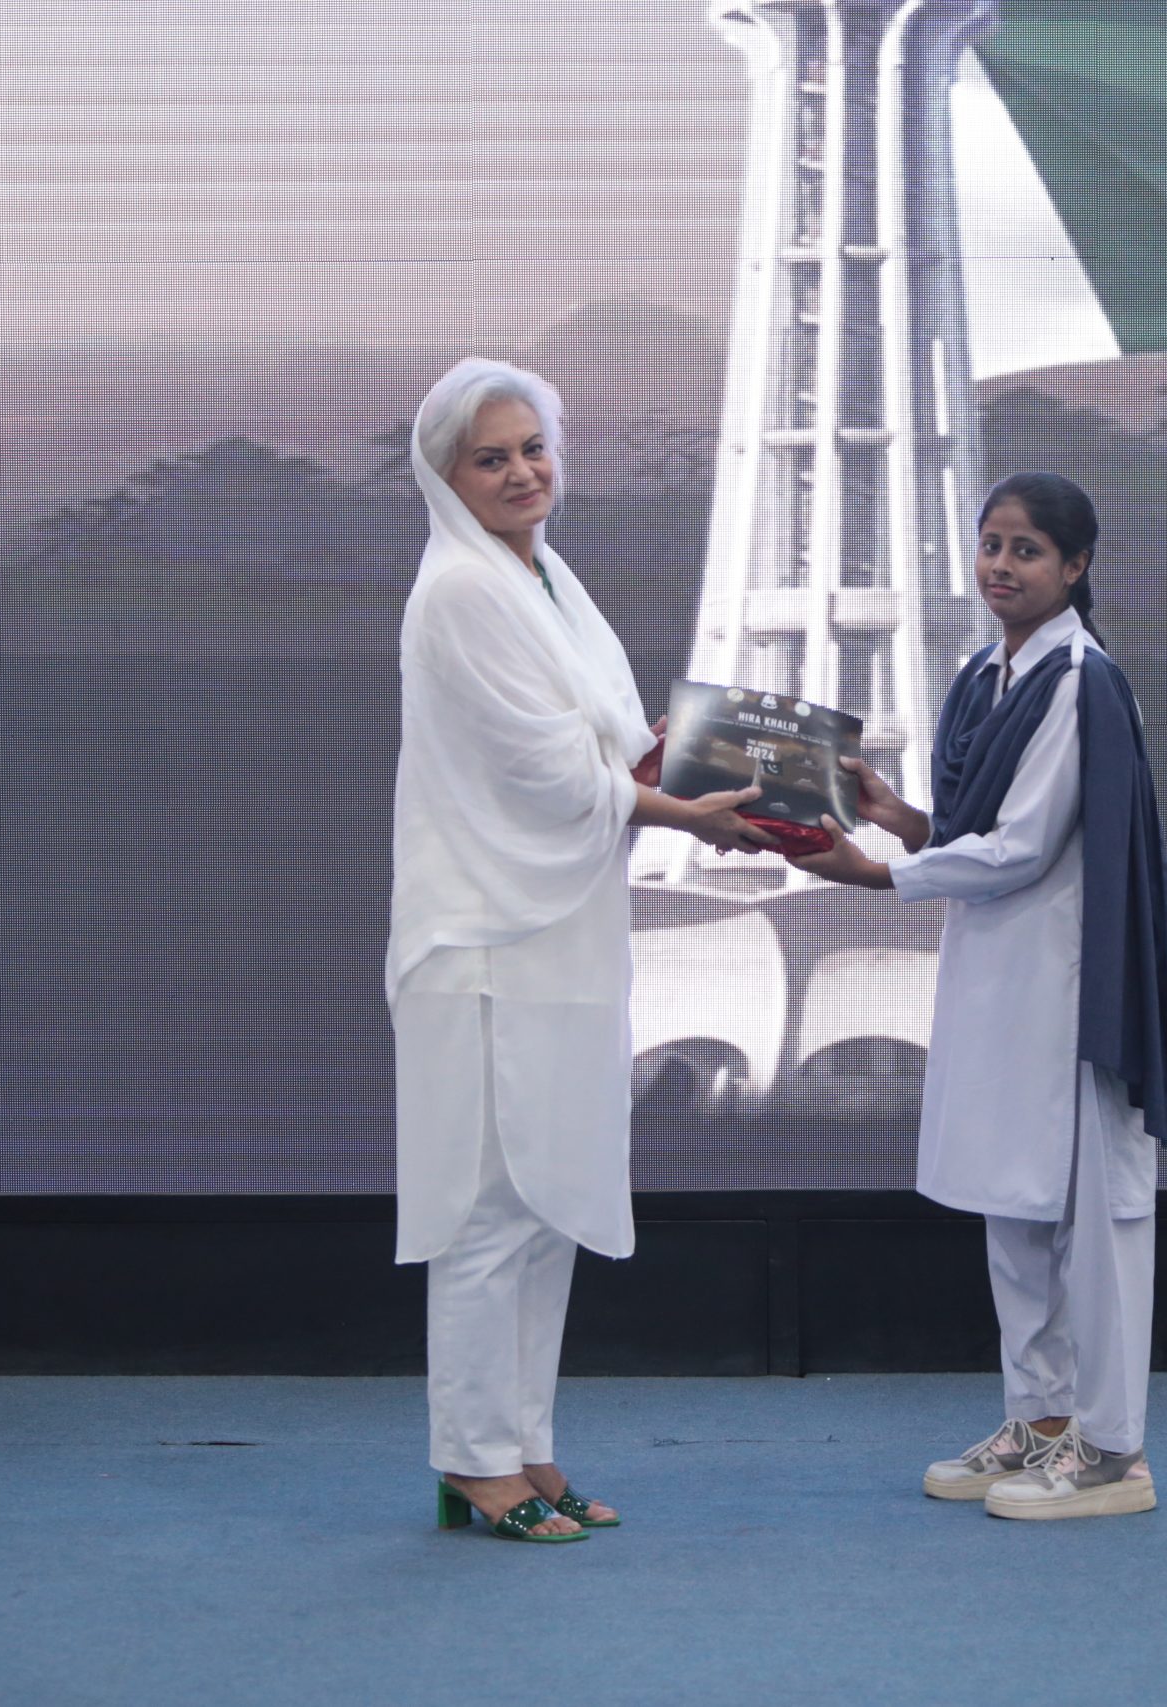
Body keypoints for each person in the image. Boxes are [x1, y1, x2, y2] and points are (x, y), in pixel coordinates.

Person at [387, 357, 772, 1542]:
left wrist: (686, 758)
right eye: (490, 458)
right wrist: (679, 811)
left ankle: (523, 1445)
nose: (522, 473)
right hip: (486, 941)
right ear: (446, 477)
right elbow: (549, 773)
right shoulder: (461, 591)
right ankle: (471, 1458)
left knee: (544, 1204)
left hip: (561, 933)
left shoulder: (544, 575)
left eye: (533, 448)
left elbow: (597, 736)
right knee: (488, 1209)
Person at [788, 472, 1167, 1521]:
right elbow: (972, 832)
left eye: (1027, 550)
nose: (1001, 565)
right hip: (995, 979)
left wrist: (877, 873)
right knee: (1015, 1208)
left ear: (1077, 567)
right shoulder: (984, 676)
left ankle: (1113, 1452)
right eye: (991, 543)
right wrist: (897, 816)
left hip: (1073, 992)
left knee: (1093, 1222)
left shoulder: (1080, 681)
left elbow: (1023, 847)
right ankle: (1040, 1420)